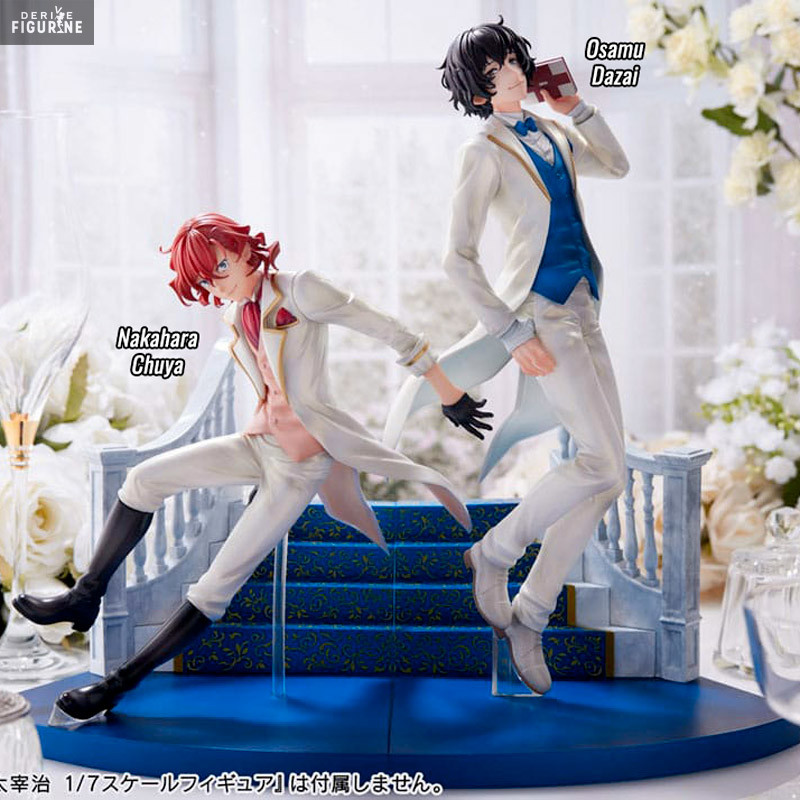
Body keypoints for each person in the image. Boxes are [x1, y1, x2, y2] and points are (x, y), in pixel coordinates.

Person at [14, 212, 492, 723]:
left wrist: (448, 392)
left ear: (245, 249)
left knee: (213, 587)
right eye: (206, 280)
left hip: (300, 463)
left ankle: (116, 686)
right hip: (259, 441)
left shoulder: (302, 290)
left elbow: (389, 329)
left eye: (221, 267)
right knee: (142, 479)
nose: (218, 284)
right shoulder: (237, 311)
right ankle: (85, 596)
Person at [385, 19, 629, 695]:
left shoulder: (554, 131)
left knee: (609, 478)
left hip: (585, 304)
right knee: (602, 463)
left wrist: (576, 107)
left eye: (514, 62)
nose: (513, 75)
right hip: (542, 313)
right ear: (477, 91)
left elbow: (616, 166)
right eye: (494, 73)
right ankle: (495, 552)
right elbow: (456, 257)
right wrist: (512, 334)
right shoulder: (482, 150)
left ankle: (530, 614)